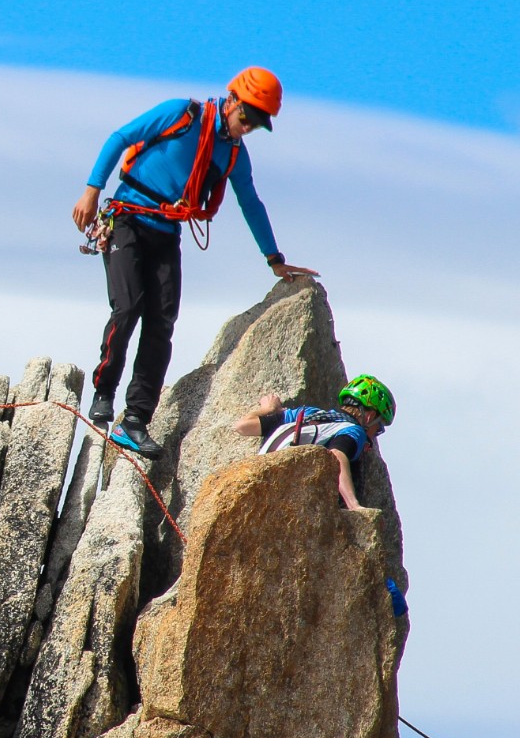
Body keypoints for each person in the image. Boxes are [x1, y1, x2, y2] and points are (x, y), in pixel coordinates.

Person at [71, 66, 319, 457]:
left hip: (166, 235)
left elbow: (250, 203)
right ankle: (104, 394)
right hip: (128, 220)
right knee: (128, 307)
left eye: (257, 123)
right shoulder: (181, 114)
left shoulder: (235, 154)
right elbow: (120, 137)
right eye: (247, 117)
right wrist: (91, 189)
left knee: (162, 321)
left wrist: (275, 258)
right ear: (233, 100)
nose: (249, 127)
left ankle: (134, 419)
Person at [231, 374, 395, 512]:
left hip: (258, 479)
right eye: (379, 428)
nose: (375, 435)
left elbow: (242, 426)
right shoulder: (353, 430)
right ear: (369, 417)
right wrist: (354, 505)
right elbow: (337, 455)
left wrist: (268, 409)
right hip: (287, 491)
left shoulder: (307, 414)